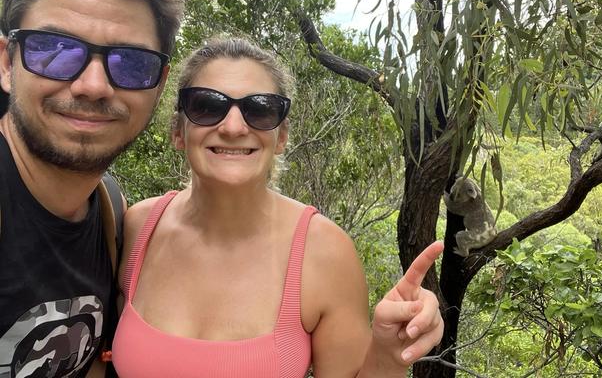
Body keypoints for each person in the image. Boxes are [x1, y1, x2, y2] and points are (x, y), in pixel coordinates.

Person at [112, 37, 444, 377]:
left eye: (259, 109)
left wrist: (388, 355)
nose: (233, 127)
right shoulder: (138, 227)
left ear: (281, 137)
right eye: (207, 106)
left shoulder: (324, 253)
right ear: (179, 131)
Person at [0, 0, 183, 377]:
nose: (94, 85)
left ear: (159, 85)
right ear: (6, 63)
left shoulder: (110, 212)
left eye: (132, 63)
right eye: (56, 50)